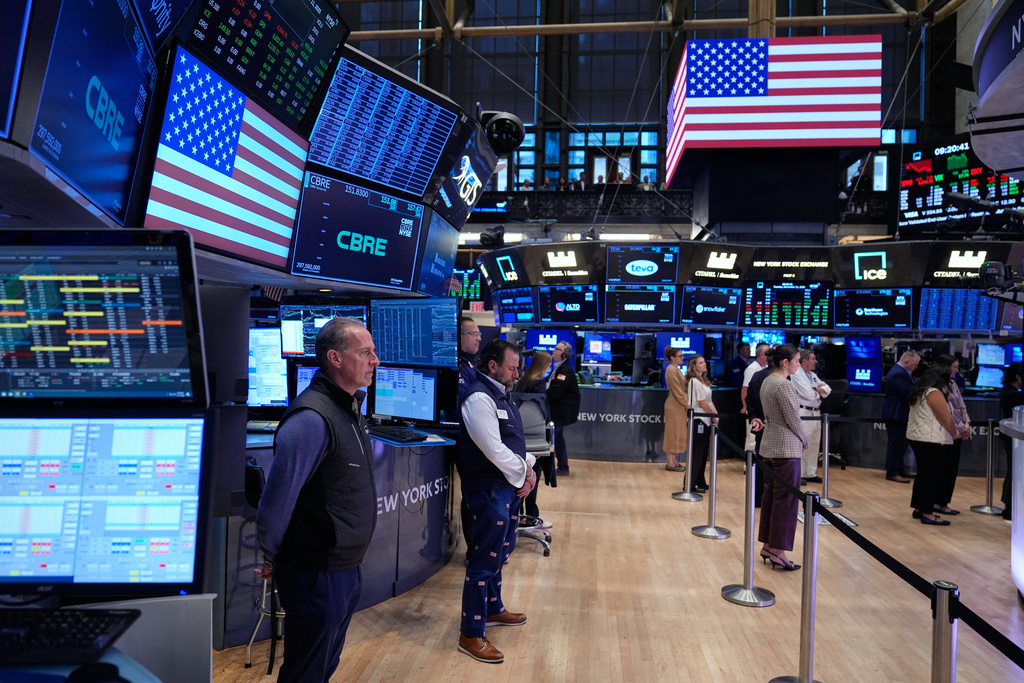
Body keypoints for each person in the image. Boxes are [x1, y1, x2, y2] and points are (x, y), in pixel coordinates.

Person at [255, 318, 379, 682]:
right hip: (316, 571)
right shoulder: (311, 419)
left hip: (344, 566)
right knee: (305, 673)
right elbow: (276, 503)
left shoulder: (348, 407)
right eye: (365, 352)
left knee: (323, 667)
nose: (375, 360)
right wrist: (271, 554)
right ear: (335, 358)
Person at [456, 339, 537, 663]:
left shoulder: (501, 393)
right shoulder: (478, 398)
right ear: (493, 366)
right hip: (488, 490)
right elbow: (493, 449)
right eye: (512, 367)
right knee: (484, 560)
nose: (517, 373)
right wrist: (525, 471)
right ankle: (470, 633)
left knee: (501, 554)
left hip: (507, 488)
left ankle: (492, 609)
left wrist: (528, 467)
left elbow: (513, 444)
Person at [757, 344, 809, 571]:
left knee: (771, 497)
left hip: (770, 446)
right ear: (785, 362)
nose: (799, 365)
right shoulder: (783, 384)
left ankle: (769, 545)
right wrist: (805, 439)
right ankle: (778, 550)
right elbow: (793, 419)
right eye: (797, 361)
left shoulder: (768, 380)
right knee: (786, 502)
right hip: (786, 449)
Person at [906, 364, 959, 525]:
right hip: (931, 440)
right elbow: (946, 417)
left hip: (917, 437)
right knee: (931, 477)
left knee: (923, 475)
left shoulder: (919, 390)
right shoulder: (934, 393)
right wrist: (954, 432)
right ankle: (927, 513)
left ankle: (919, 508)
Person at [513, 350, 555, 522]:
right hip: (536, 437)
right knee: (533, 476)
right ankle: (531, 515)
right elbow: (542, 408)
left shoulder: (522, 380)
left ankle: (518, 513)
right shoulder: (539, 383)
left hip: (519, 436)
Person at [458, 317, 484, 561]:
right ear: (460, 335)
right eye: (473, 334)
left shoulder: (471, 364)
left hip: (474, 439)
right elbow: (466, 405)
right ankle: (473, 551)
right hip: (465, 441)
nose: (479, 338)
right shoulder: (458, 366)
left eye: (479, 334)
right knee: (471, 496)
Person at [934, 354, 971, 515]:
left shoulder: (953, 383)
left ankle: (944, 502)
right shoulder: (937, 387)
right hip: (946, 433)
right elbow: (947, 412)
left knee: (951, 470)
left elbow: (961, 406)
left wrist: (967, 423)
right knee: (943, 470)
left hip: (958, 432)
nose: (957, 370)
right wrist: (961, 428)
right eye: (954, 367)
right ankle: (937, 502)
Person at [791, 349, 831, 484]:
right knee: (802, 443)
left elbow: (828, 390)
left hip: (816, 412)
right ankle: (799, 473)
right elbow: (808, 394)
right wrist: (817, 391)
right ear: (804, 361)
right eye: (813, 359)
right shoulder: (797, 374)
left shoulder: (812, 375)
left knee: (814, 443)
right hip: (803, 412)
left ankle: (810, 472)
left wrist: (816, 390)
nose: (816, 361)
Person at [882, 350, 921, 483]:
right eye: (915, 364)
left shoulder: (903, 372)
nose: (916, 367)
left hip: (901, 414)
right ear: (906, 361)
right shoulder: (898, 373)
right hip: (896, 415)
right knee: (896, 444)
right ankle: (892, 472)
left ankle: (899, 470)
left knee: (902, 445)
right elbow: (910, 392)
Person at [547, 340, 580, 476]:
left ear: (564, 355)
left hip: (561, 411)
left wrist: (542, 395)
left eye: (557, 349)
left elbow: (556, 391)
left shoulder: (565, 370)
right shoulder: (557, 367)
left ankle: (561, 467)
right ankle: (562, 466)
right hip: (557, 409)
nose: (553, 351)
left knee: (555, 438)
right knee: (557, 438)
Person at [687, 355, 718, 492]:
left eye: (704, 362)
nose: (704, 364)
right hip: (698, 419)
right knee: (697, 452)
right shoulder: (694, 381)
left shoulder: (704, 382)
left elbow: (709, 401)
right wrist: (712, 414)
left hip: (706, 420)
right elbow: (702, 402)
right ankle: (690, 483)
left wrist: (715, 414)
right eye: (700, 363)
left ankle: (700, 481)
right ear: (694, 367)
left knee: (703, 452)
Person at [1001, 363, 1024, 520]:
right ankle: (1009, 507)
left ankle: (1009, 506)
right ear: (1018, 377)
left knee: (1013, 471)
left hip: (1011, 438)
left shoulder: (1009, 392)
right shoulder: (1013, 395)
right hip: (1013, 439)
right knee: (1014, 471)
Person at [662, 346, 689, 472]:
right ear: (672, 358)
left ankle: (674, 461)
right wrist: (687, 404)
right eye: (680, 356)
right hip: (674, 406)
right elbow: (677, 391)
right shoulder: (671, 370)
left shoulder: (676, 369)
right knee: (672, 434)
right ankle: (670, 463)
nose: (683, 358)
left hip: (679, 406)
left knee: (677, 433)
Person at [741, 343, 771, 451]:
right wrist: (746, 407)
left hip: (761, 409)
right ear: (762, 355)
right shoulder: (752, 368)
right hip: (753, 410)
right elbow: (745, 389)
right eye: (768, 353)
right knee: (752, 438)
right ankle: (749, 461)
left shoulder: (764, 368)